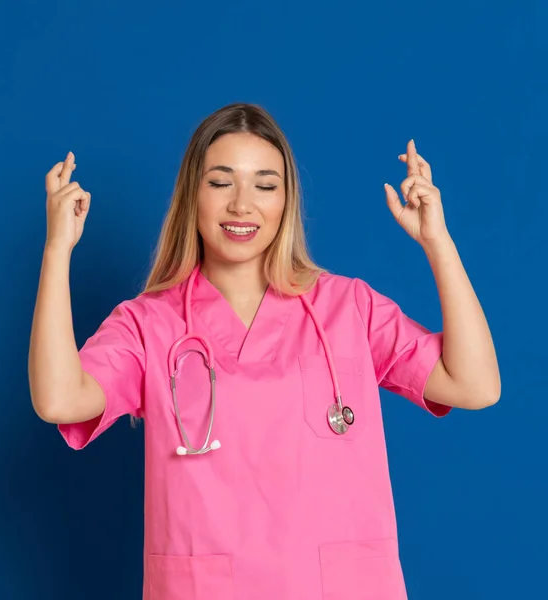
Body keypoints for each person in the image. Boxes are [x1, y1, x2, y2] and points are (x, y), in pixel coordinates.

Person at [28, 102, 501, 600]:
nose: (242, 204)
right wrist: (57, 250)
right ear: (193, 195)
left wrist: (437, 240)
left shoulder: (348, 307)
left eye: (265, 185)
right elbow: (59, 400)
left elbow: (475, 386)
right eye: (220, 182)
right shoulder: (149, 323)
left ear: (286, 201)